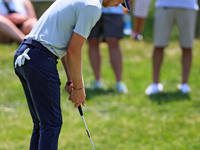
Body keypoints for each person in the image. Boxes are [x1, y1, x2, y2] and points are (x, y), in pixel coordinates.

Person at [13, 0, 131, 149]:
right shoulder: (92, 7)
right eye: (120, 1)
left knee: (42, 124)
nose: (118, 5)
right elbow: (74, 51)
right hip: (39, 59)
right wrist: (80, 89)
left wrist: (71, 79)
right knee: (51, 124)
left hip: (25, 55)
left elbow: (64, 41)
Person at [145, 0, 199, 95]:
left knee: (187, 46)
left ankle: (184, 84)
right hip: (164, 5)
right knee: (158, 45)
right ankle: (155, 83)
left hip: (188, 6)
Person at [88, 5, 128, 93]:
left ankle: (119, 82)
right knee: (92, 42)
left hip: (114, 10)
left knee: (114, 42)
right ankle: (98, 81)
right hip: (91, 9)